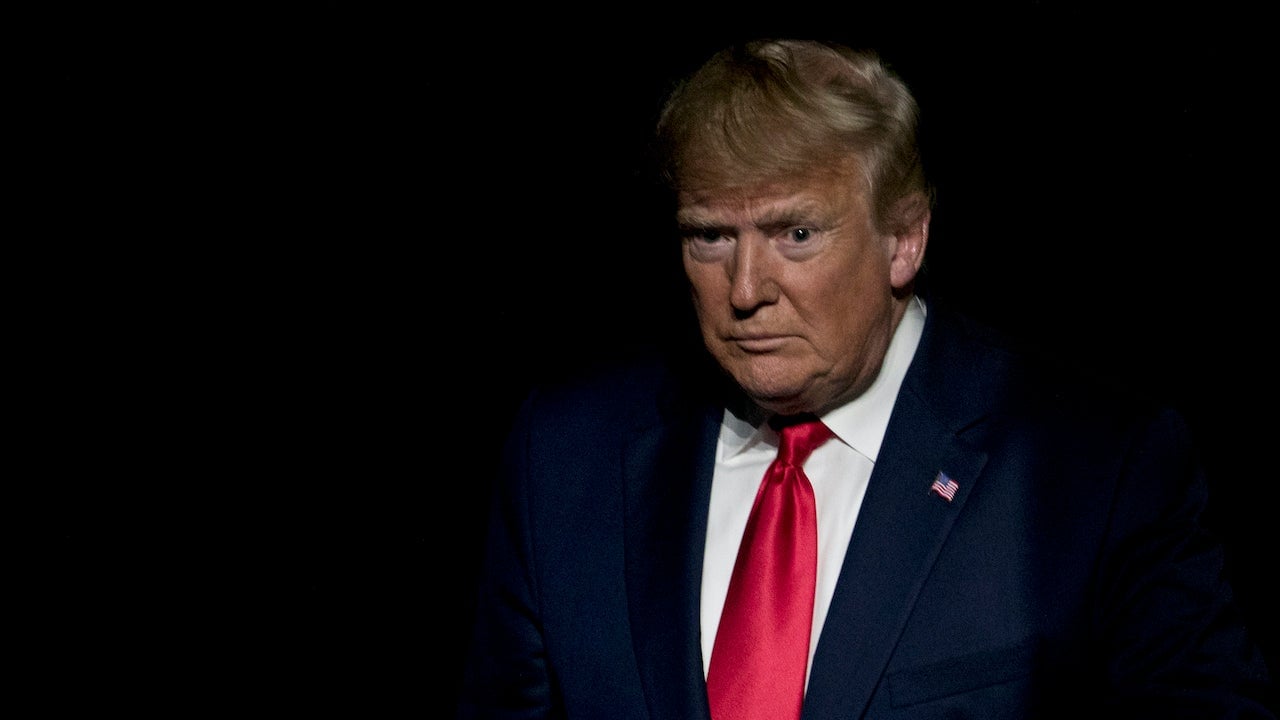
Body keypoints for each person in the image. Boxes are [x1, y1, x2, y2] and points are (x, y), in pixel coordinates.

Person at [456, 37, 1275, 718]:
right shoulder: (567, 457)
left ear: (905, 240)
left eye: (797, 233)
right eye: (709, 237)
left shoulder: (1094, 470)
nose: (745, 289)